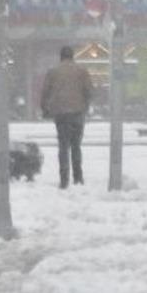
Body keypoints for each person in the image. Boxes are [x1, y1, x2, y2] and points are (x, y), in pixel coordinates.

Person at [40, 45, 94, 189]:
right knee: (76, 146)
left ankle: (64, 179)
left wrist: (45, 108)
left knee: (63, 146)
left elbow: (45, 92)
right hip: (77, 112)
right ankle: (78, 177)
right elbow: (89, 91)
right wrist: (86, 105)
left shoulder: (53, 72)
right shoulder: (82, 71)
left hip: (61, 113)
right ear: (72, 56)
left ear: (61, 56)